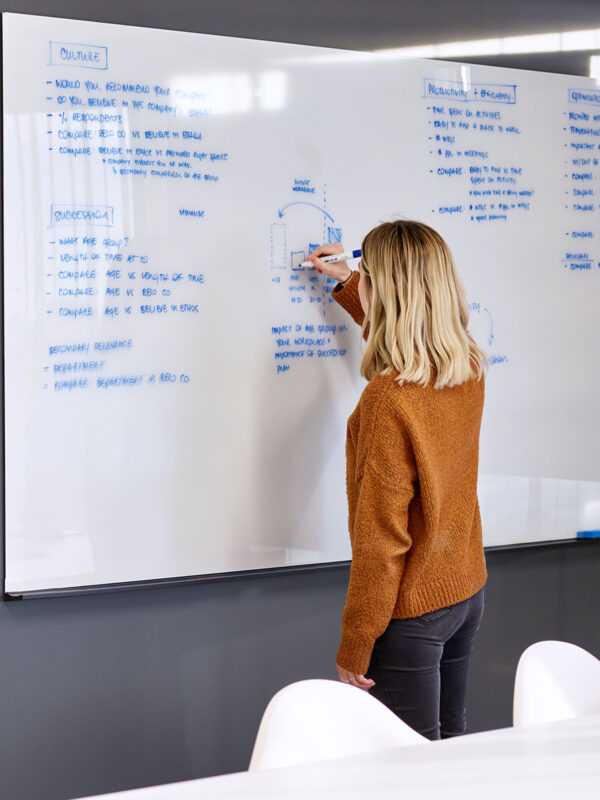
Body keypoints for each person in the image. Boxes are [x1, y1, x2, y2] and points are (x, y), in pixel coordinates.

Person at [307, 220, 489, 741]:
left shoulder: (389, 400)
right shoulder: (466, 365)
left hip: (410, 615)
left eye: (366, 274)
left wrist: (356, 641)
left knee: (407, 773)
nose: (359, 279)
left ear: (386, 292)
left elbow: (382, 540)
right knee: (449, 749)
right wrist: (348, 282)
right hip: (464, 591)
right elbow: (411, 331)